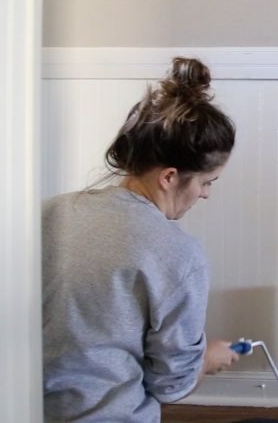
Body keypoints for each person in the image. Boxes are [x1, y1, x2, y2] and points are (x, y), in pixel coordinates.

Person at [42, 57, 241, 422]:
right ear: (169, 177)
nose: (206, 194)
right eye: (206, 182)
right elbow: (171, 385)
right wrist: (207, 359)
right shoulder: (180, 255)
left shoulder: (51, 213)